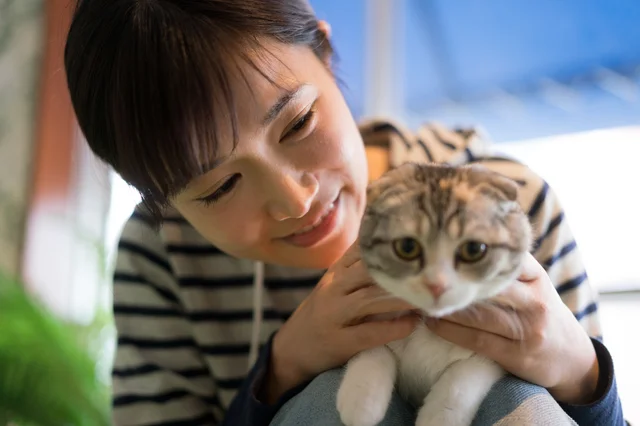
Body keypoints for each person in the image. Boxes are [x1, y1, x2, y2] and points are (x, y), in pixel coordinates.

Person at [63, 1, 625, 425]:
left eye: (298, 124)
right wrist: (282, 370)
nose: (295, 199)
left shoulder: (508, 205)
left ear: (326, 55)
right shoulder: (161, 256)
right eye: (219, 187)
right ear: (159, 203)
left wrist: (581, 374)